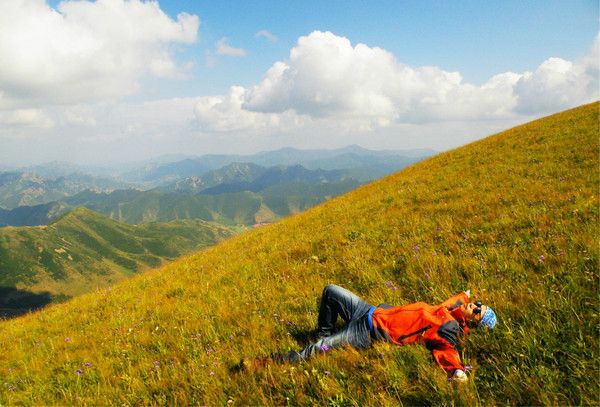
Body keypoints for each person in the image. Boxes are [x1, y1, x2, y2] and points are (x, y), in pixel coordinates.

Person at [244, 284, 497, 382]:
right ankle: (322, 334)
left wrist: (457, 370)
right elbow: (453, 300)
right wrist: (466, 294)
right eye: (478, 304)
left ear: (472, 324)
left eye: (477, 311)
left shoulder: (449, 328)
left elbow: (446, 349)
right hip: (369, 309)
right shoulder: (450, 311)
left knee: (313, 351)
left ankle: (265, 363)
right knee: (330, 291)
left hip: (369, 330)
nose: (474, 306)